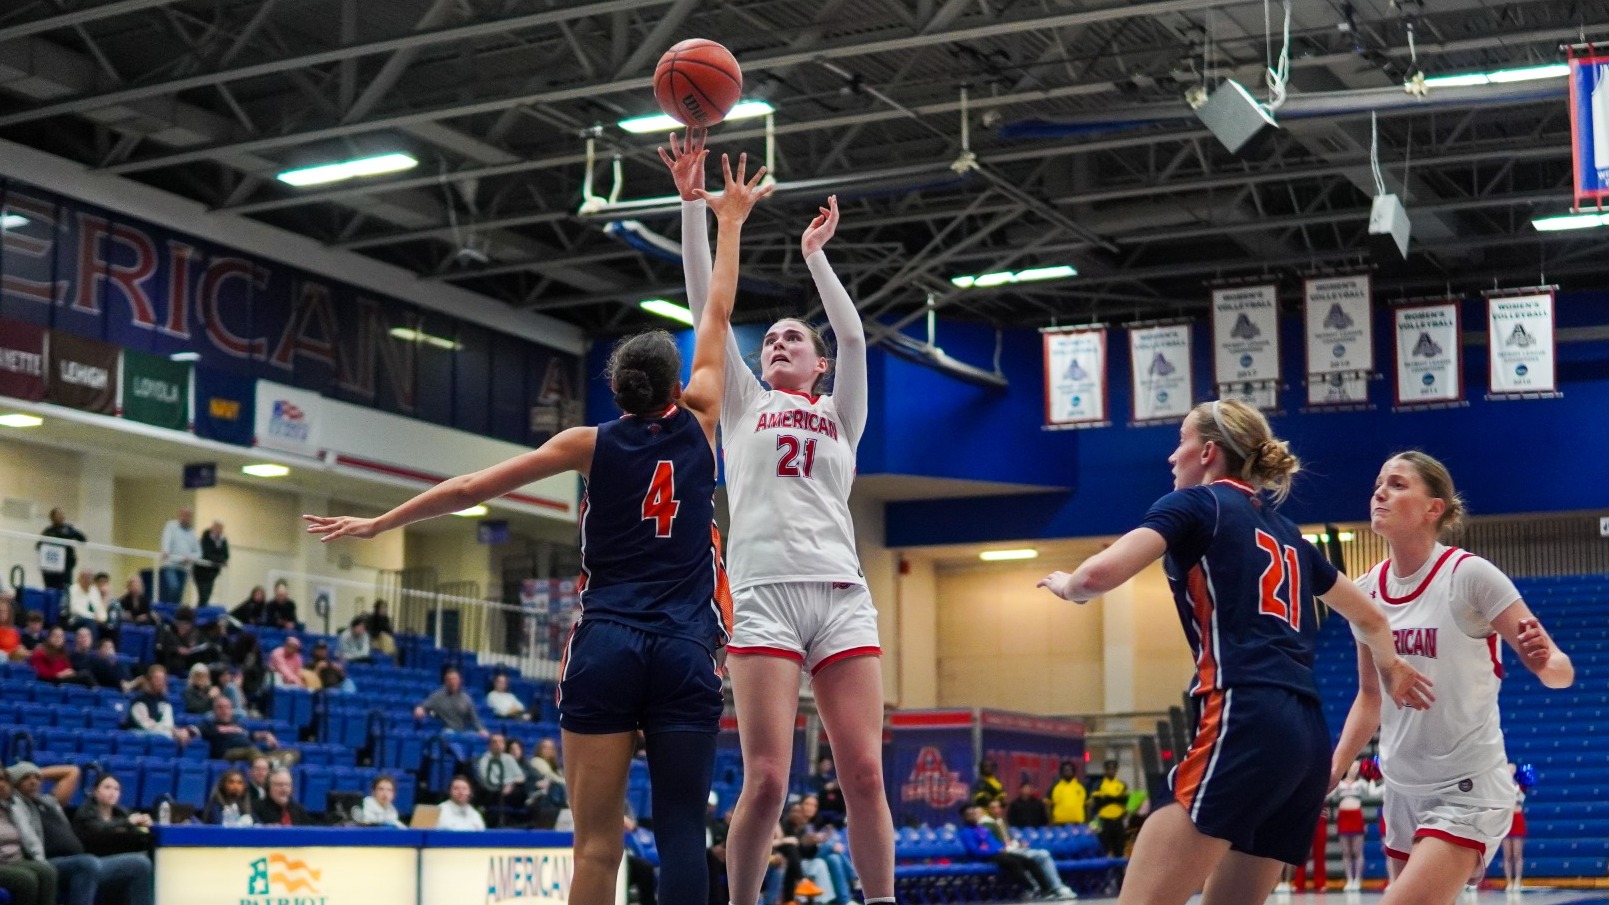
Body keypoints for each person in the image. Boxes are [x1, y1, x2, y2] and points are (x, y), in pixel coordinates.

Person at [306, 133, 765, 905]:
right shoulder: (705, 414)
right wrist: (725, 215)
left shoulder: (588, 442)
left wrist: (381, 522)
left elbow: (469, 485)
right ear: (672, 385)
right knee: (684, 829)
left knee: (595, 844)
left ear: (618, 395)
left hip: (609, 641)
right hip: (686, 646)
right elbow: (717, 303)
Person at [1036, 398, 1432, 905]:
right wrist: (1394, 667)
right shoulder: (1290, 534)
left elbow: (1097, 576)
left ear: (1206, 452)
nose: (1171, 457)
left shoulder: (1195, 504)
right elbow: (1373, 617)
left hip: (1244, 714)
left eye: (1179, 441)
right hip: (1307, 737)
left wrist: (1069, 584)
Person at [674, 135, 894, 905]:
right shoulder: (741, 402)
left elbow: (858, 334)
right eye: (769, 339)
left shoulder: (841, 411)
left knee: (863, 771)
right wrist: (691, 208)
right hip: (763, 592)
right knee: (766, 779)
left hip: (839, 593)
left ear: (817, 363)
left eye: (791, 338)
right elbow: (710, 302)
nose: (775, 342)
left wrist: (814, 257)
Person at [1330, 451, 1573, 905]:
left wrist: (1544, 661)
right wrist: (1335, 765)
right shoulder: (1363, 592)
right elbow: (1369, 697)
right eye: (1379, 482)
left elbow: (1560, 672)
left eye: (1398, 484)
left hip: (1466, 789)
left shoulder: (1469, 576)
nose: (1380, 492)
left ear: (1433, 508)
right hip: (1401, 788)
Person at [10, 762, 154, 905]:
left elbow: (73, 771)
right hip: (52, 863)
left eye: (37, 778)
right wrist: (18, 772)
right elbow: (71, 772)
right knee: (87, 863)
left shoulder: (50, 802)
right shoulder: (16, 804)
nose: (33, 781)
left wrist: (33, 771)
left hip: (80, 861)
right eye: (26, 778)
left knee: (141, 864)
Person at [0, 768, 58, 905]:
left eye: (3, 780)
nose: (1, 784)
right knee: (26, 879)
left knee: (47, 872)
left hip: (14, 860)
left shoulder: (9, 809)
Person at [71, 776, 152, 856]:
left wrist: (146, 825)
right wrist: (128, 822)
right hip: (89, 857)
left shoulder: (121, 812)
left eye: (116, 789)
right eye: (107, 787)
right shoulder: (86, 812)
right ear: (95, 792)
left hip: (112, 856)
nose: (112, 792)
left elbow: (137, 834)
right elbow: (99, 830)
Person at [199, 696, 294, 764]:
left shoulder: (238, 725)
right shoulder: (209, 724)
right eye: (220, 707)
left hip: (250, 752)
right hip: (228, 753)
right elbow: (195, 730)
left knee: (293, 752)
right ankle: (270, 764)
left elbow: (251, 735)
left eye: (227, 707)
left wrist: (266, 735)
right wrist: (185, 732)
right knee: (251, 751)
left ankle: (270, 764)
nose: (224, 710)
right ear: (214, 710)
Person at [1328, 759, 1376, 892]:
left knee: (1357, 851)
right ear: (1348, 768)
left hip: (1356, 817)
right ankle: (1349, 879)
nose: (1355, 770)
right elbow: (1329, 795)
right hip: (1344, 818)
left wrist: (1370, 779)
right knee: (1346, 851)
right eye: (1354, 767)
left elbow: (1372, 793)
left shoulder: (1360, 784)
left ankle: (1357, 879)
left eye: (1358, 768)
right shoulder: (1340, 784)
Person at [128, 664, 193, 745]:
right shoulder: (138, 701)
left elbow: (168, 724)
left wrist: (176, 731)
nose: (160, 682)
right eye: (157, 679)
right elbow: (147, 726)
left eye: (162, 679)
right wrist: (172, 732)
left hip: (160, 738)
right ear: (149, 680)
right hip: (138, 741)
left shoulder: (164, 701)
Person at [411, 667, 486, 735]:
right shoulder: (437, 696)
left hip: (462, 731)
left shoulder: (466, 698)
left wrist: (481, 730)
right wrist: (420, 709)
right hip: (447, 731)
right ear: (446, 681)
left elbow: (474, 719)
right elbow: (424, 706)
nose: (453, 682)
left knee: (474, 736)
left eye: (455, 679)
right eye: (450, 680)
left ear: (460, 681)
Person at [157, 508, 201, 604]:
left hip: (183, 568)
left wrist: (191, 557)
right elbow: (166, 539)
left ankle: (175, 614)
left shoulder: (192, 533)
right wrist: (165, 550)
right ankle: (167, 611)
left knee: (179, 594)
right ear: (180, 515)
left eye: (188, 516)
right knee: (173, 587)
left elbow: (198, 552)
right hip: (170, 564)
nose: (186, 517)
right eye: (184, 515)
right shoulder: (171, 526)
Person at [36, 508, 85, 593]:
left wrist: (71, 534)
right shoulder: (48, 532)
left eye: (62, 515)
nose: (61, 517)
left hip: (66, 566)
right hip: (52, 567)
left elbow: (82, 539)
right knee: (51, 589)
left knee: (65, 588)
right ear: (52, 518)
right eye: (58, 515)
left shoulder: (69, 529)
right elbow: (39, 546)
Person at [1090, 760, 1129, 858]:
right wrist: (1115, 798)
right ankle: (1106, 872)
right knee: (1103, 849)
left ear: (1116, 770)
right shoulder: (1098, 785)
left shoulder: (1121, 784)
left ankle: (1119, 872)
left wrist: (1108, 798)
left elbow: (1124, 801)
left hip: (1118, 821)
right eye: (1108, 769)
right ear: (1105, 770)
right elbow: (1098, 802)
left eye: (1113, 769)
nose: (1111, 771)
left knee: (1119, 849)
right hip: (1104, 822)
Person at [1504, 764, 1528, 895]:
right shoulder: (1502, 786)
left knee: (1517, 853)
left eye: (1512, 769)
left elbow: (1522, 795)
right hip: (1507, 818)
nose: (1510, 772)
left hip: (1517, 817)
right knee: (1507, 854)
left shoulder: (1520, 786)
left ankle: (1518, 880)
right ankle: (1509, 882)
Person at [193, 520, 228, 606]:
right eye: (217, 528)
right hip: (200, 572)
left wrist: (218, 559)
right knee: (203, 595)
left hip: (212, 573)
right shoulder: (206, 536)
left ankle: (201, 613)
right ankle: (199, 614)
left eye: (220, 529)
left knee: (207, 596)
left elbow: (226, 555)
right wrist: (219, 559)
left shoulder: (223, 540)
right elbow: (207, 553)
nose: (219, 531)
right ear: (212, 528)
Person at [1048, 761, 1088, 827]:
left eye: (1070, 770)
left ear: (1073, 772)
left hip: (1078, 824)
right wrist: (1050, 822)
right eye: (1065, 770)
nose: (1068, 772)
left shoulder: (1081, 786)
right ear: (1061, 772)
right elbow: (1047, 806)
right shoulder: (1054, 787)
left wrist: (1087, 822)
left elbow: (1088, 806)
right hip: (1059, 824)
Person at [0, 596, 23, 662]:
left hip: (13, 659)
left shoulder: (14, 631)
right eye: (0, 611)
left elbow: (18, 647)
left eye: (5, 611)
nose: (2, 613)